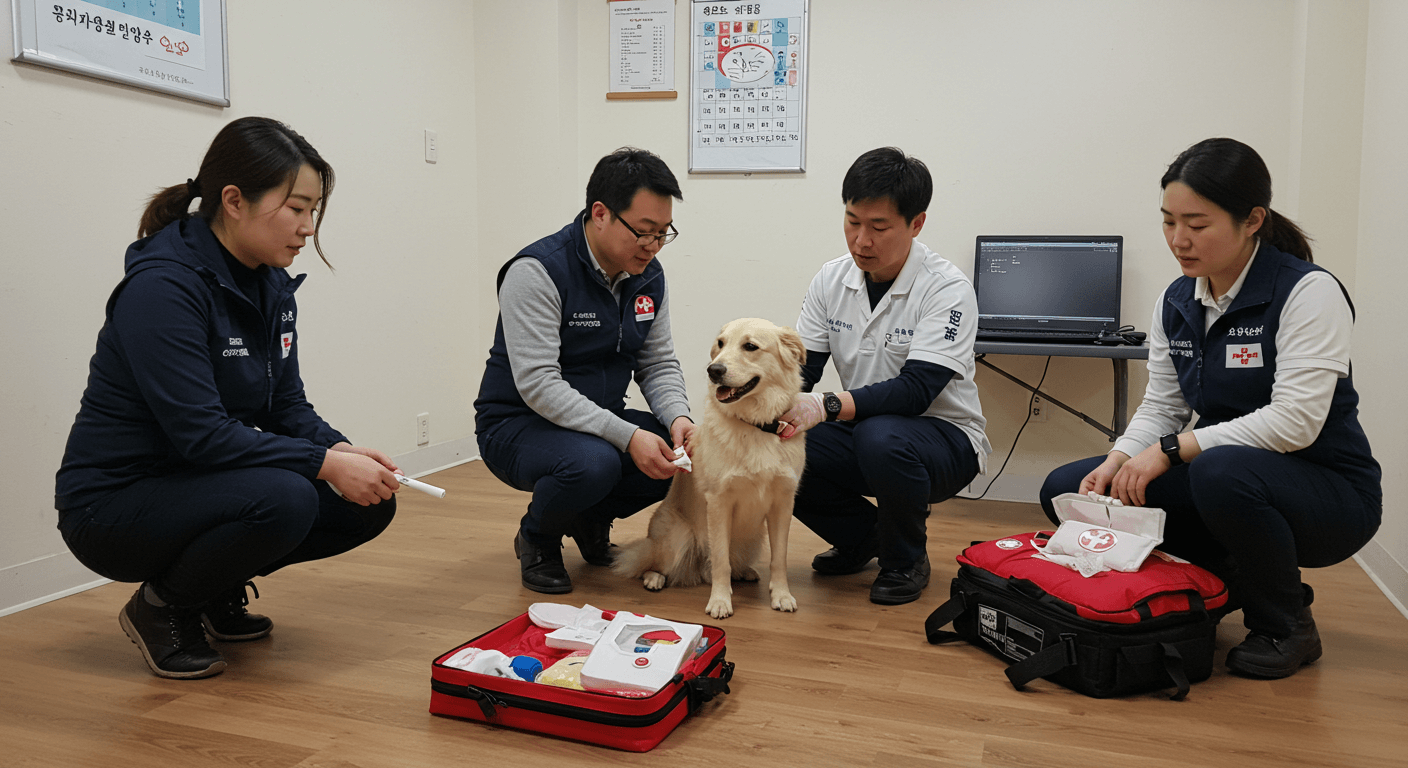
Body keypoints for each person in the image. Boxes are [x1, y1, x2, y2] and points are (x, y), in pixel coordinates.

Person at [54, 117, 400, 680]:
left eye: (314, 211)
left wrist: (343, 450)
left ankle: (209, 587)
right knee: (287, 496)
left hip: (198, 482)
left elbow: (285, 407)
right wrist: (326, 463)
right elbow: (203, 435)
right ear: (234, 201)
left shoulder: (269, 283)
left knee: (365, 501)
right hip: (113, 505)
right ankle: (162, 607)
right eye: (296, 208)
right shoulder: (163, 288)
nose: (308, 227)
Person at [1039, 138, 1381, 679]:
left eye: (1197, 225)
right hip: (1230, 477)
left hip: (1329, 495)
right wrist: (1121, 456)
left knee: (1220, 471)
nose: (1179, 240)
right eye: (1169, 221)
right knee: (1070, 485)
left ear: (1252, 220)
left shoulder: (1308, 293)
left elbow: (1296, 421)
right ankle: (1227, 581)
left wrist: (1172, 450)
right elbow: (1163, 405)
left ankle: (1285, 623)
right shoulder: (1176, 300)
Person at [777, 147, 992, 605]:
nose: (861, 241)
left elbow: (915, 392)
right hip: (867, 429)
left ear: (916, 224)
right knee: (781, 441)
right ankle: (861, 538)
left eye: (878, 227)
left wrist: (828, 406)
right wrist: (753, 404)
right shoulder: (830, 280)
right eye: (853, 222)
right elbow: (803, 372)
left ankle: (905, 559)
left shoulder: (946, 289)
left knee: (881, 435)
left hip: (945, 441)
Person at [474, 147, 694, 595]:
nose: (652, 246)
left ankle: (587, 518)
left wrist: (680, 419)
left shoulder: (648, 277)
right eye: (643, 232)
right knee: (593, 463)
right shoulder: (538, 271)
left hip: (593, 421)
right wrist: (627, 435)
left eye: (663, 233)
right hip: (517, 424)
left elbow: (657, 363)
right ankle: (537, 537)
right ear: (600, 213)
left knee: (675, 458)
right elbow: (539, 386)